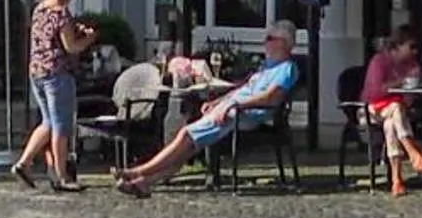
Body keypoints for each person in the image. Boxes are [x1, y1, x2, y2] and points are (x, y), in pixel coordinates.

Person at [112, 22, 300, 198]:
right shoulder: (266, 67)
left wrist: (235, 106)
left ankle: (136, 172)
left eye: (269, 39)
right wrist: (219, 101)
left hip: (245, 114)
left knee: (186, 134)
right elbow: (242, 89)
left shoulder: (286, 68)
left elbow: (271, 97)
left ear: (283, 43)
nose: (264, 42)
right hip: (232, 109)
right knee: (190, 144)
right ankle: (146, 182)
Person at [12, 0, 97, 193]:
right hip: (57, 74)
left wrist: (74, 29)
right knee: (61, 126)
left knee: (48, 122)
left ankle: (24, 163)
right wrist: (88, 38)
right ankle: (61, 176)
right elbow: (71, 47)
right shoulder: (61, 13)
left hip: (37, 72)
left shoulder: (39, 9)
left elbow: (50, 36)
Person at [360, 26, 422, 196]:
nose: (414, 52)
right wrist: (400, 82)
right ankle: (412, 153)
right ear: (398, 45)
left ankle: (397, 181)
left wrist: (416, 85)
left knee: (391, 123)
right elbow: (373, 92)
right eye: (411, 46)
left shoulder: (412, 65)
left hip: (395, 113)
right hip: (371, 110)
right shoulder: (379, 62)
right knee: (395, 109)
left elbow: (410, 98)